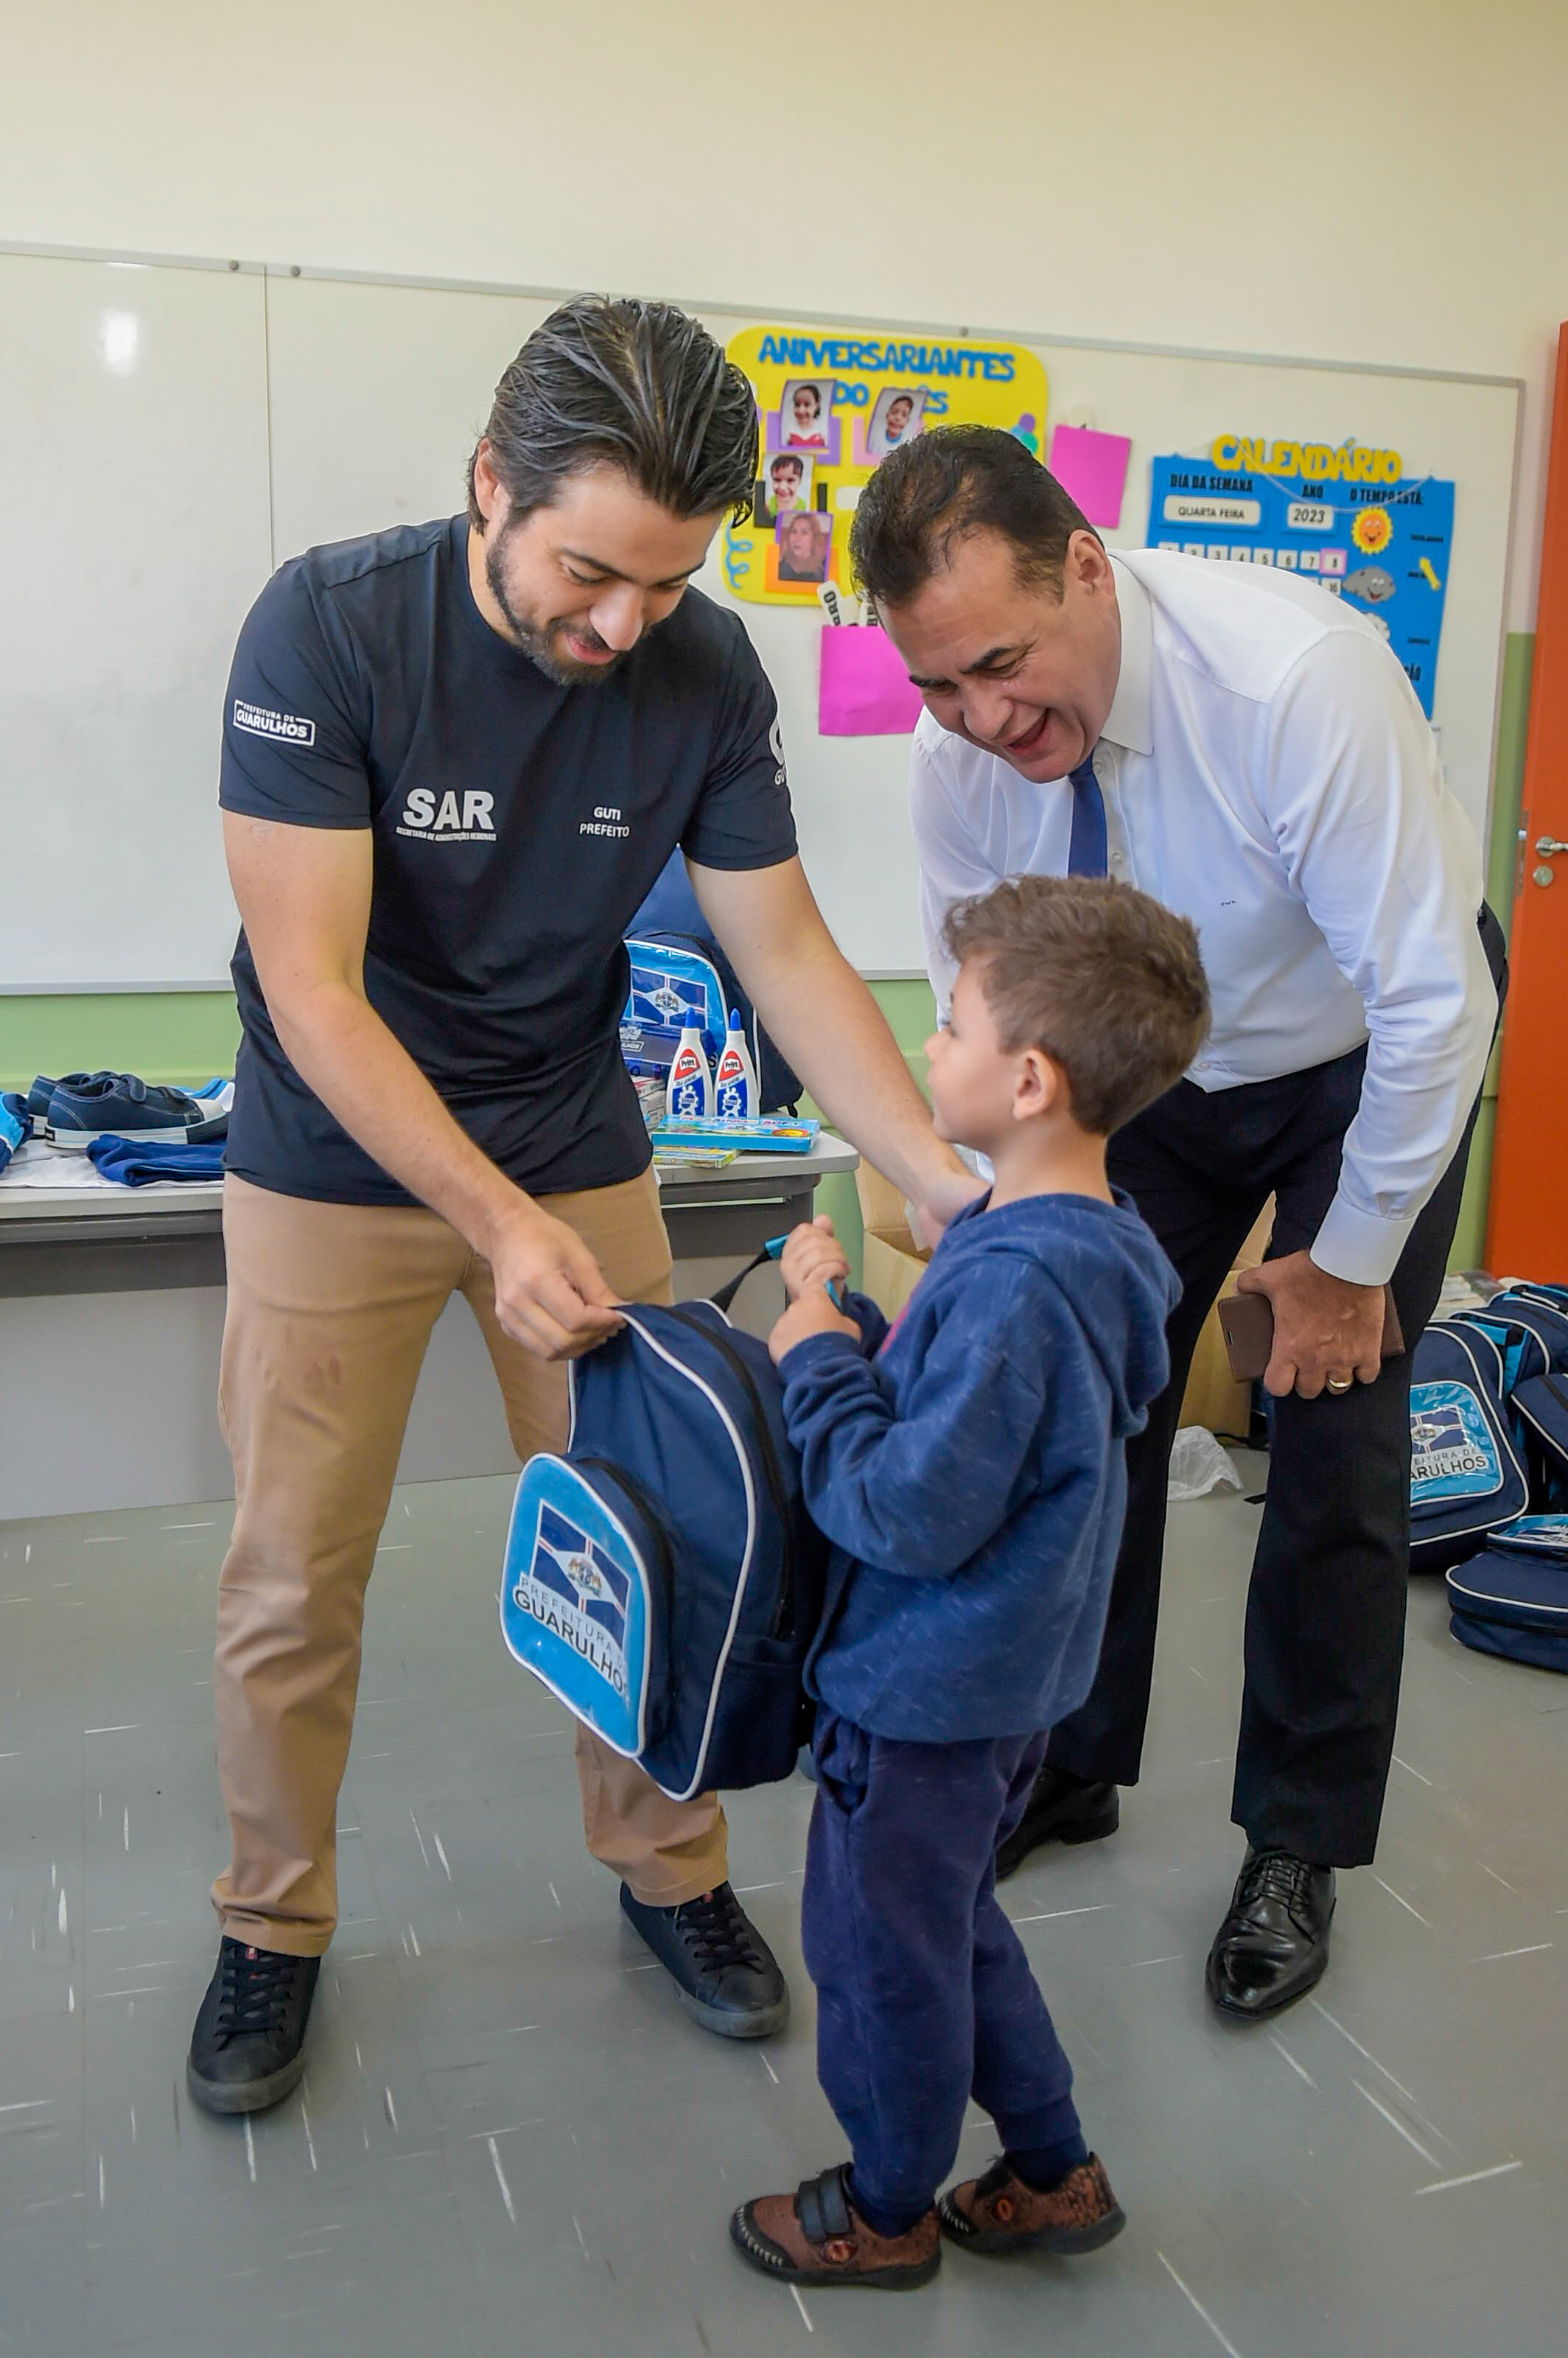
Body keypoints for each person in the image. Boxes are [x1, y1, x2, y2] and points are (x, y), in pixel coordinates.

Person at [186, 296, 980, 2120]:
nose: (623, 626)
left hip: (570, 1138)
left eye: (667, 582)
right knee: (293, 1575)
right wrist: (493, 1223)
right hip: (330, 1153)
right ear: (491, 484)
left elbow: (784, 949)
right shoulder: (329, 627)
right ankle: (272, 1920)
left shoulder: (703, 672)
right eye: (589, 573)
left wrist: (943, 1182)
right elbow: (313, 992)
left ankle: (671, 1872)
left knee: (662, 1528)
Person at [850, 425, 1506, 2021]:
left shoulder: (1292, 684)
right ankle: (1067, 1760)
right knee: (1078, 1404)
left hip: (1359, 1053)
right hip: (1144, 1068)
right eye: (937, 686)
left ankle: (1295, 1839)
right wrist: (1004, 1231)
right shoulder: (959, 766)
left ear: (1085, 566)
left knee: (1331, 1433)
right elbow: (987, 1008)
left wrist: (1344, 1267)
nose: (982, 720)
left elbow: (1434, 1005)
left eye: (1002, 665)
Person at [729, 874, 1206, 2292]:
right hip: (1000, 1687)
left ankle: (884, 2207)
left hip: (921, 1693)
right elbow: (975, 1429)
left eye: (945, 1025)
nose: (923, 1048)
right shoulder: (1083, 1243)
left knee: (879, 1957)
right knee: (948, 1922)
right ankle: (1051, 2172)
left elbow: (903, 1507)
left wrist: (814, 1359)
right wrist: (855, 1324)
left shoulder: (1011, 1284)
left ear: (1028, 1078)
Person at [755, 450, 807, 526]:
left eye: (790, 480)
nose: (782, 487)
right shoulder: (768, 504)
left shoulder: (802, 506)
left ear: (800, 481)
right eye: (777, 480)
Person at [777, 510, 829, 583]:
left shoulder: (823, 568)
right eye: (794, 531)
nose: (797, 538)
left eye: (804, 532)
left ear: (814, 538)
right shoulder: (782, 563)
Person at [785, 380, 830, 449]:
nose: (801, 410)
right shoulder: (788, 429)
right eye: (797, 405)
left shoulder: (824, 429)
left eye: (807, 405)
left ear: (816, 405)